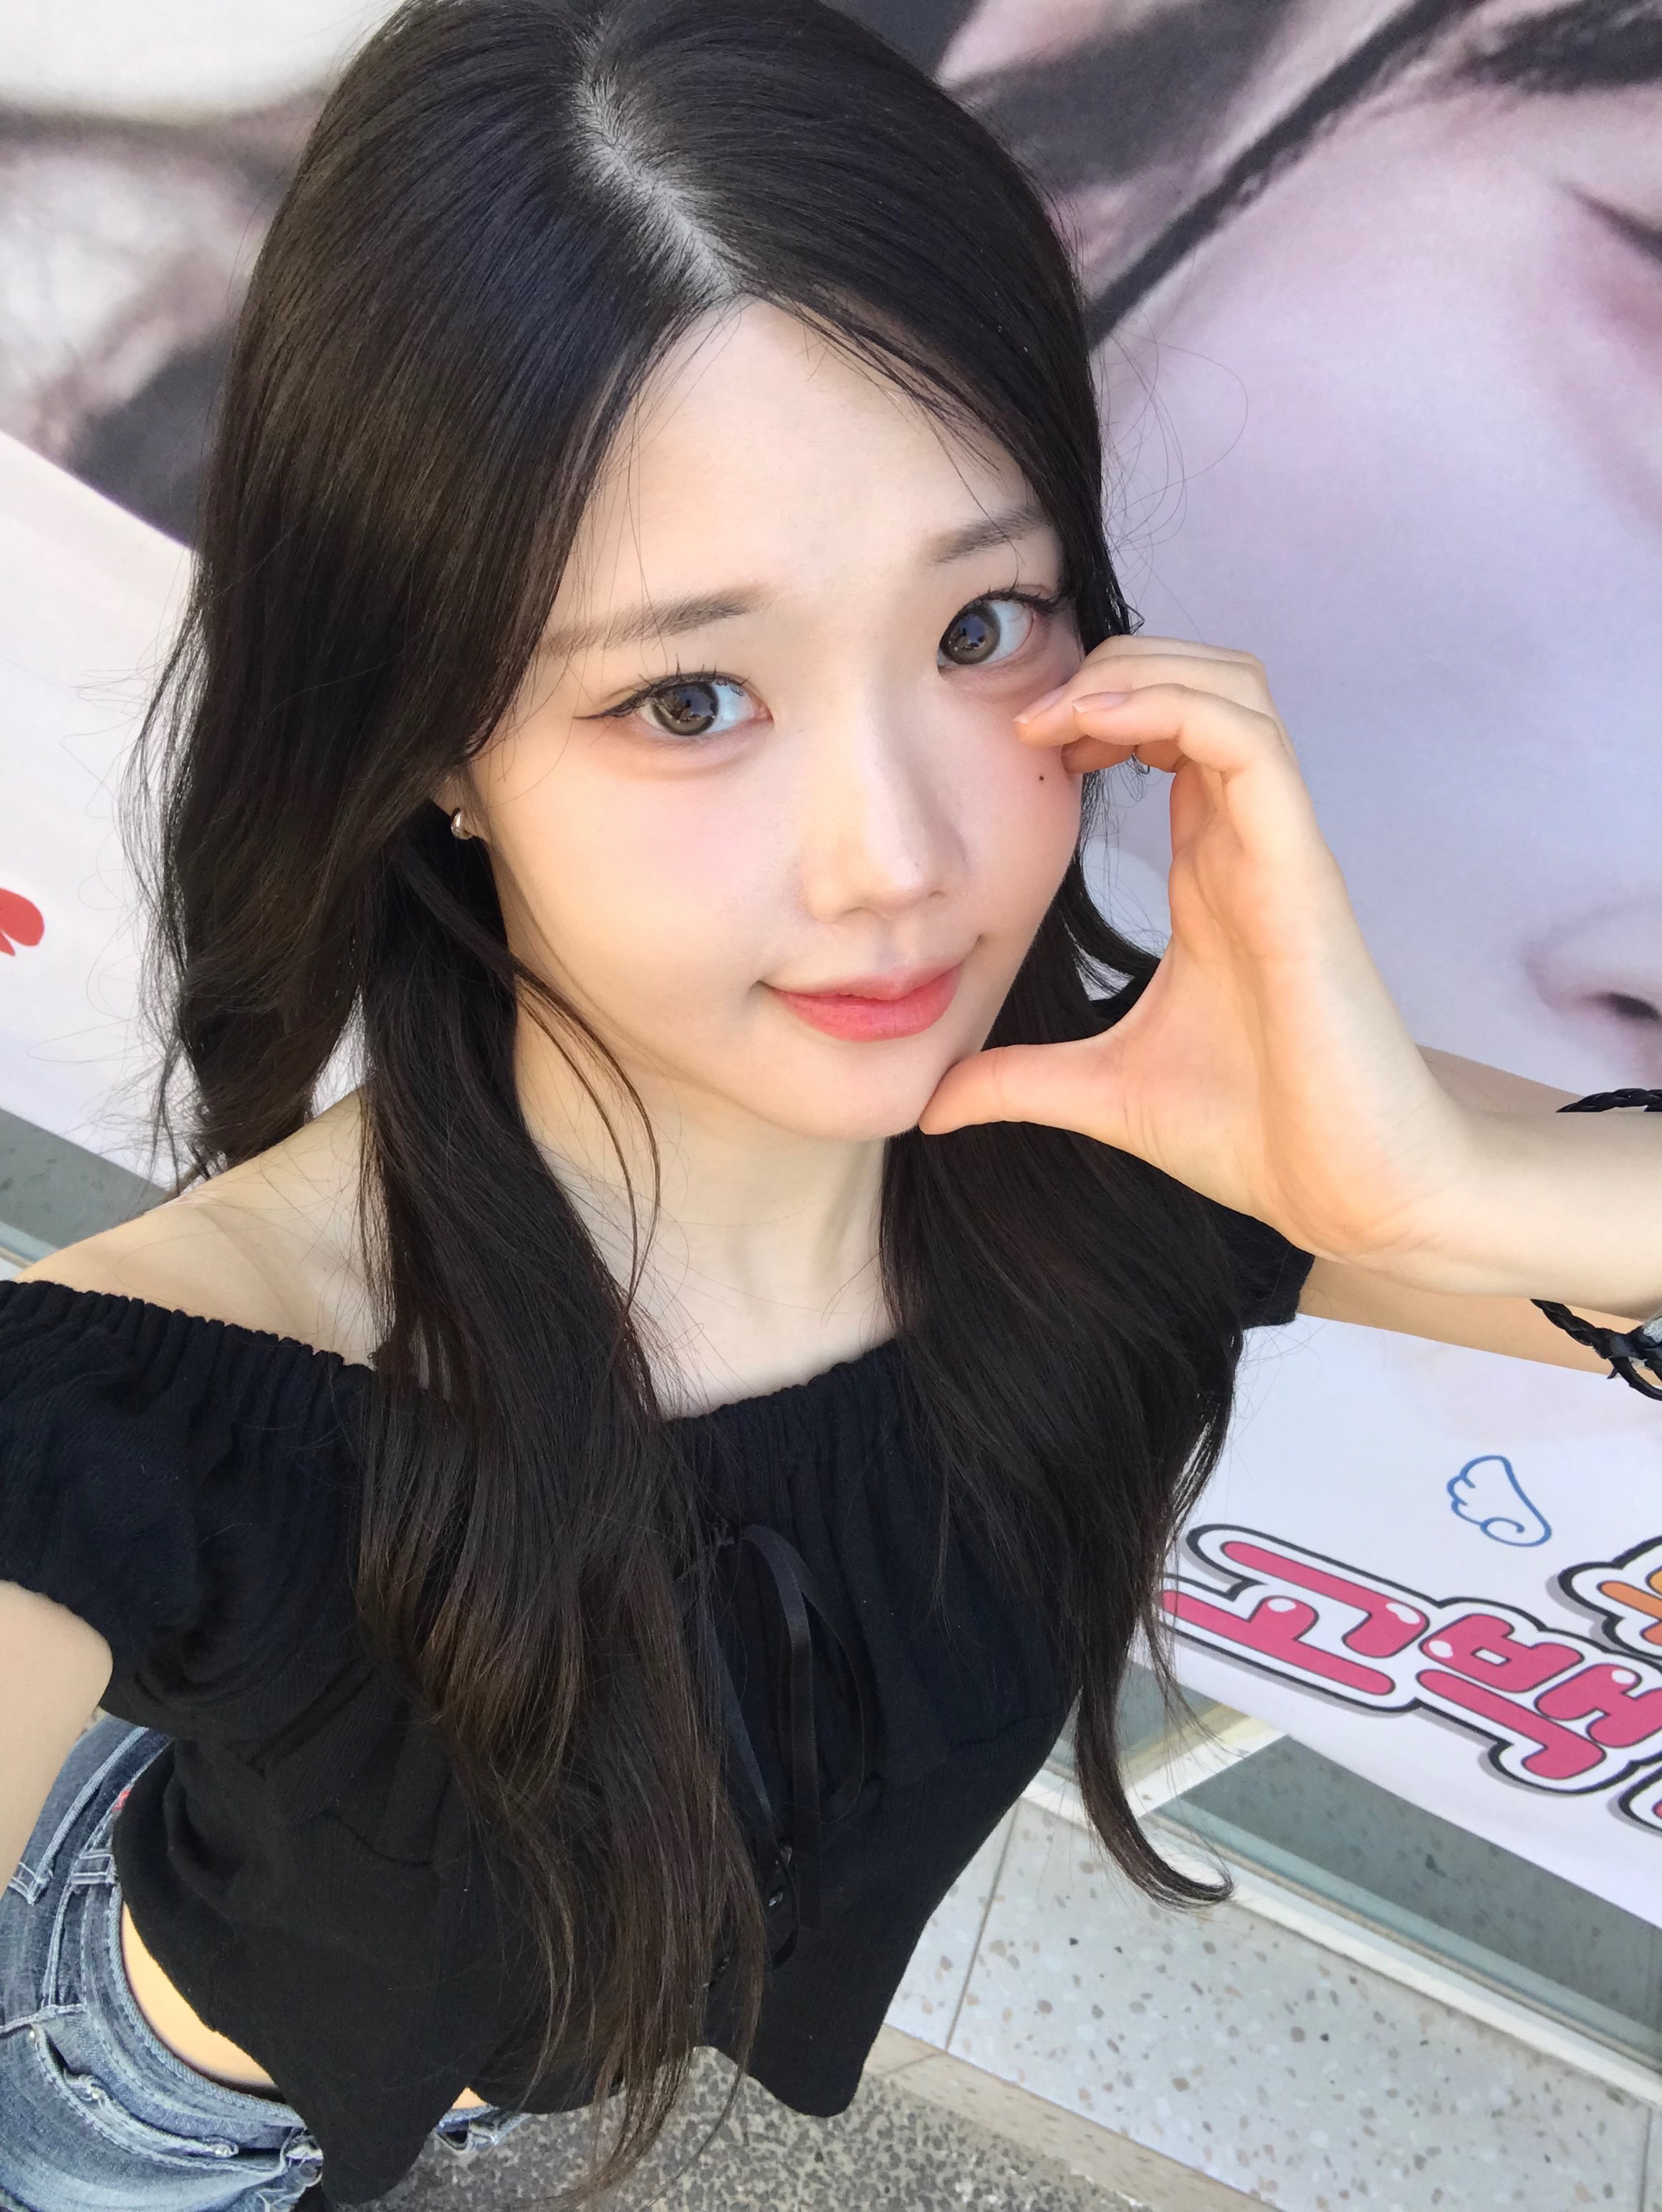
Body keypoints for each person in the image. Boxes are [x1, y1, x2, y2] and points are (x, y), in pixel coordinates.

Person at [1, 2, 1657, 2208]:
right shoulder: (169, 1397)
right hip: (146, 2102)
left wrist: (1439, 1183)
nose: (901, 859)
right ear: (434, 743)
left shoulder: (1131, 1152)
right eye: (692, 697)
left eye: (982, 628)